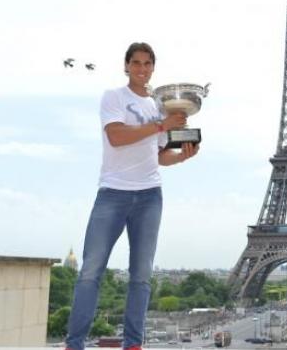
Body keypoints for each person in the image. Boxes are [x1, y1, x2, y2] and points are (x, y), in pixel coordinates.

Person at [64, 42, 198, 350]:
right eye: (135, 63)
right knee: (90, 271)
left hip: (150, 195)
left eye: (147, 63)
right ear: (126, 66)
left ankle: (133, 344)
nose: (141, 68)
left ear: (153, 68)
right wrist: (161, 125)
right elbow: (117, 136)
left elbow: (158, 155)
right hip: (113, 193)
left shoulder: (159, 107)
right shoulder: (114, 97)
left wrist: (182, 157)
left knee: (141, 275)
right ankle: (74, 343)